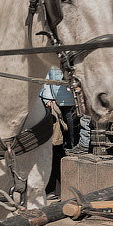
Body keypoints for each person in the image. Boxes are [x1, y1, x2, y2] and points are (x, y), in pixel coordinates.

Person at [41, 66, 77, 199]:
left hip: (74, 101)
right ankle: (56, 189)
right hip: (55, 103)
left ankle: (67, 189)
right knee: (56, 144)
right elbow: (46, 73)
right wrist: (48, 98)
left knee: (72, 144)